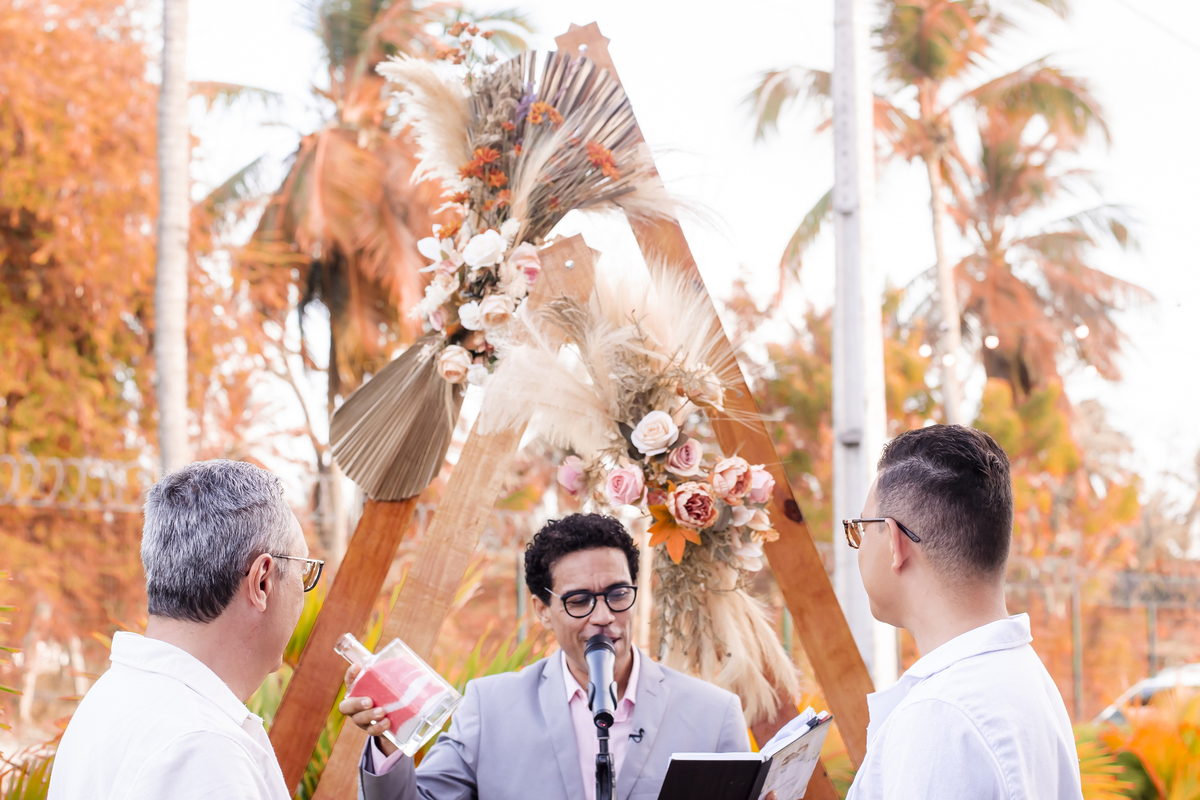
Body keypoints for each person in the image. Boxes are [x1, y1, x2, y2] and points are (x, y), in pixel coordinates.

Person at [342, 513, 750, 800]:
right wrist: (388, 740)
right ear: (542, 610)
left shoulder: (715, 715)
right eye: (579, 600)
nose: (603, 616)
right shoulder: (489, 706)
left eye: (617, 594)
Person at [49, 460, 323, 800]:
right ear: (262, 581)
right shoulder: (204, 751)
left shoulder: (112, 697)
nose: (304, 589)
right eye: (304, 571)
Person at [843, 424, 1083, 799]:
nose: (858, 546)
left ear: (894, 542)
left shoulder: (940, 717)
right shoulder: (1024, 676)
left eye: (860, 527)